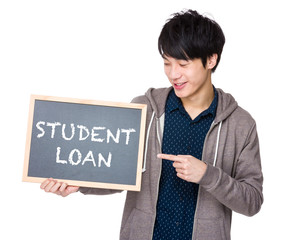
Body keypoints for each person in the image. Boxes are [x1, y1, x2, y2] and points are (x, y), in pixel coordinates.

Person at [41, 9, 264, 240]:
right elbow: (118, 175)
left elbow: (252, 202)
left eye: (183, 64)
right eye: (167, 63)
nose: (173, 74)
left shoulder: (241, 124)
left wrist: (208, 174)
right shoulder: (144, 110)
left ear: (211, 60)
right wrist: (79, 184)